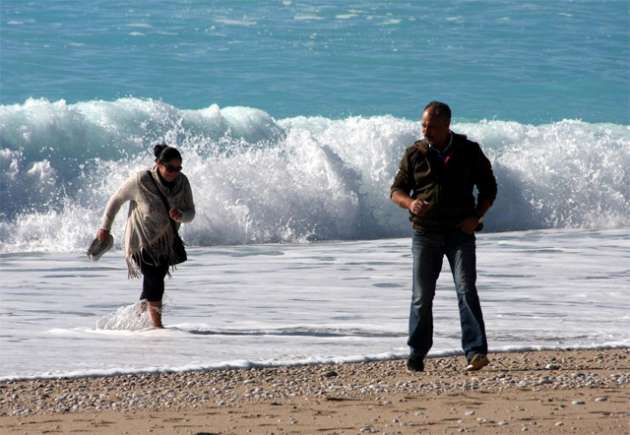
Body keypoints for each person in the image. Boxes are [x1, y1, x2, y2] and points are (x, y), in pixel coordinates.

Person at [390, 101, 497, 372]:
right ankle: (417, 354)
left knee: (466, 289)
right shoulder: (414, 153)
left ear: (447, 126)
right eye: (424, 125)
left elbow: (489, 188)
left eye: (433, 127)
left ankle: (475, 352)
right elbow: (396, 191)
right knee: (422, 296)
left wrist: (477, 216)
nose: (427, 131)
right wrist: (410, 204)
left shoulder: (469, 151)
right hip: (425, 234)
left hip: (460, 233)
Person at [95, 144, 195, 328]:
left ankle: (132, 318)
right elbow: (116, 200)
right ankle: (157, 326)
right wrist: (104, 227)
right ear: (158, 163)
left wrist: (182, 215)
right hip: (139, 241)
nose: (175, 172)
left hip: (165, 242)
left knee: (154, 281)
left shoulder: (182, 182)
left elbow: (191, 212)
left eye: (178, 168)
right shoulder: (141, 180)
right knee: (155, 278)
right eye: (170, 168)